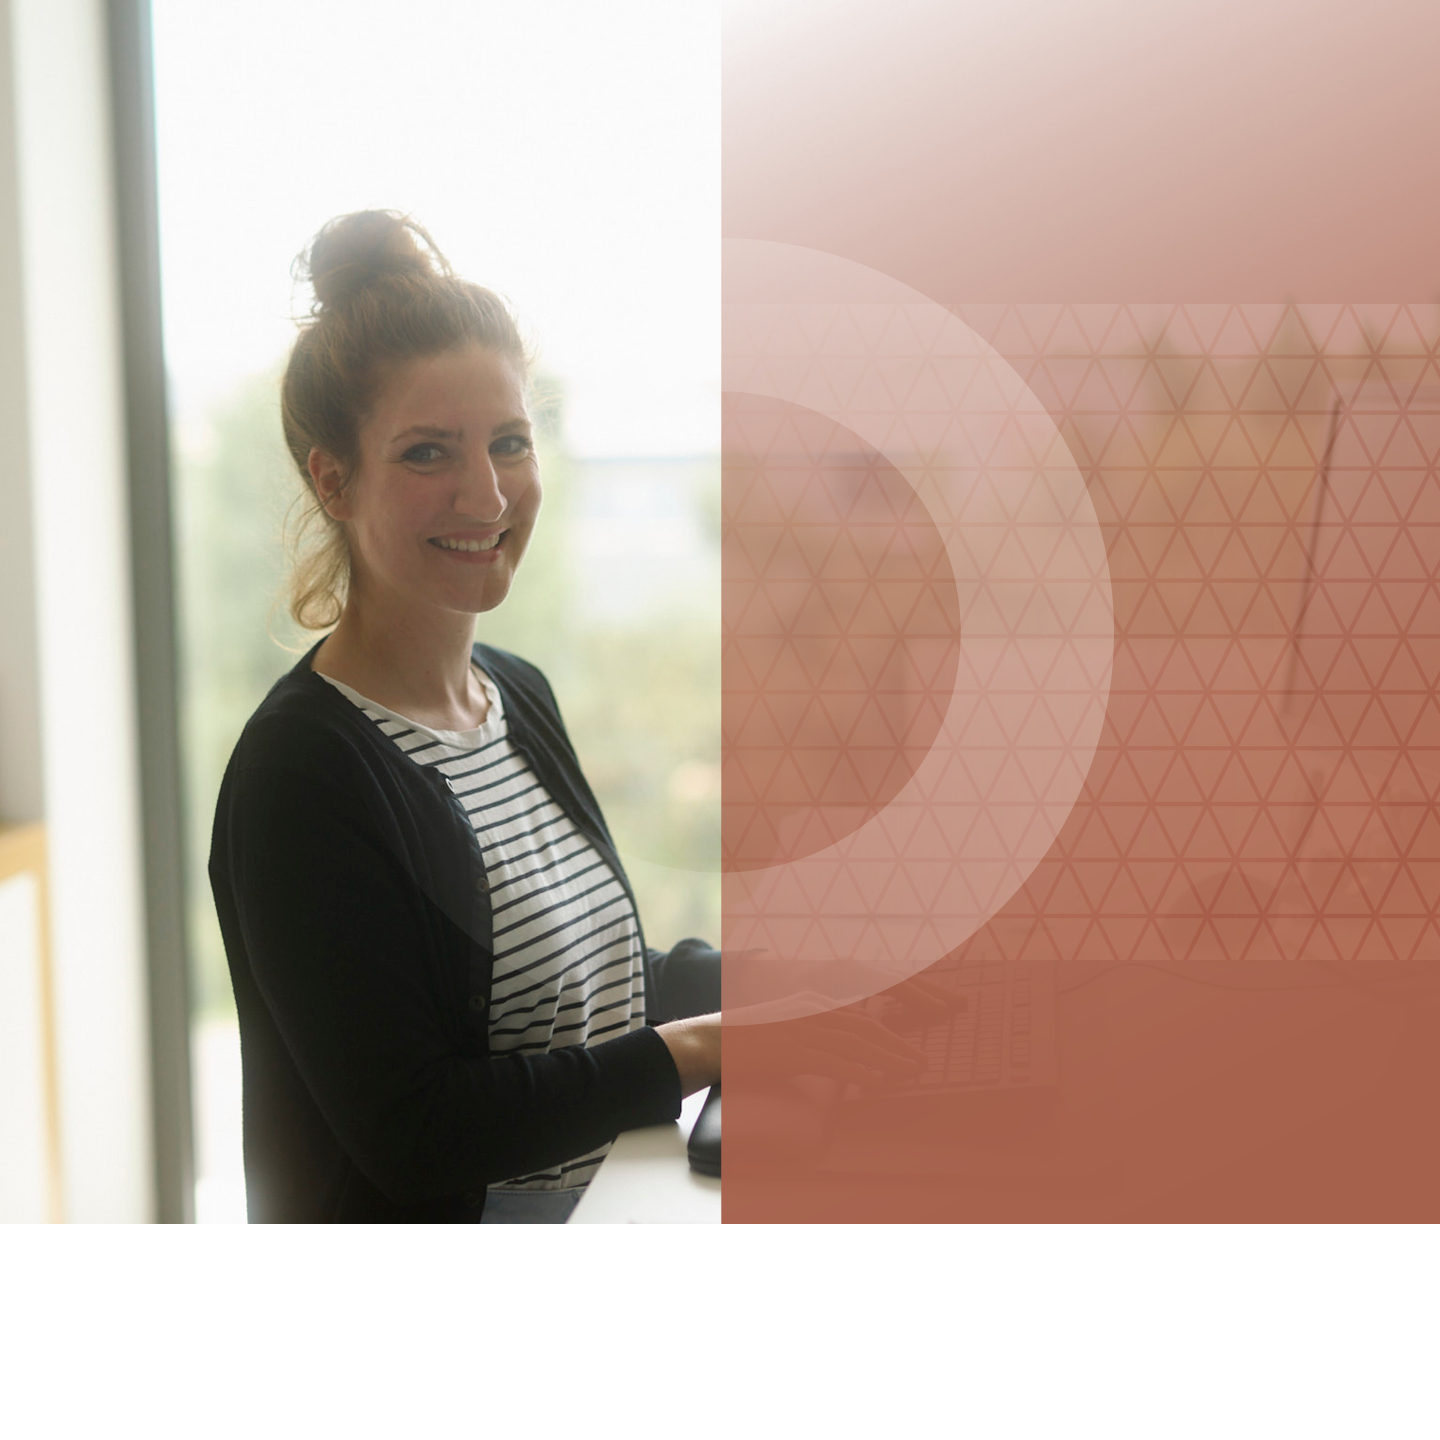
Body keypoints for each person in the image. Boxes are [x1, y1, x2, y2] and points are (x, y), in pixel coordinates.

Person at [209, 210, 921, 1224]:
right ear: (334, 480)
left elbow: (588, 979)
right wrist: (712, 1046)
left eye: (509, 443)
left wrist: (826, 980)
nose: (487, 496)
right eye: (427, 453)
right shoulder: (303, 773)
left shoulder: (515, 695)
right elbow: (419, 1134)